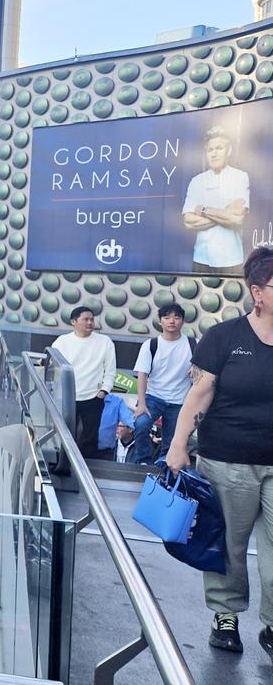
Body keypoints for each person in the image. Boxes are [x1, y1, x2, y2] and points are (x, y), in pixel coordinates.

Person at [167, 246, 273, 660]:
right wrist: (178, 445)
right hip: (228, 460)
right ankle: (225, 617)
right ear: (257, 293)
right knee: (229, 544)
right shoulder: (224, 337)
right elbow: (200, 395)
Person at [131, 303, 195, 464]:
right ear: (160, 322)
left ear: (182, 321)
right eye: (167, 317)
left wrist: (197, 366)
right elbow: (142, 374)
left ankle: (165, 465)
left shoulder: (194, 344)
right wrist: (142, 403)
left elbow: (207, 366)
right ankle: (143, 461)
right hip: (154, 397)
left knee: (173, 440)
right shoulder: (151, 345)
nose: (171, 321)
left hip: (180, 401)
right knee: (141, 424)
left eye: (176, 317)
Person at [51, 306, 117, 460]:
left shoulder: (104, 342)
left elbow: (110, 370)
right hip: (67, 397)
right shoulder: (62, 341)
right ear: (73, 322)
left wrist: (104, 391)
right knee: (65, 434)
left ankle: (88, 469)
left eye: (92, 319)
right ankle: (63, 465)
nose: (90, 323)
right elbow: (53, 363)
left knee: (90, 437)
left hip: (93, 397)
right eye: (85, 319)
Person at [183, 126, 249, 276]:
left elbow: (237, 218)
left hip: (231, 259)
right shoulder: (196, 181)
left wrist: (203, 210)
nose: (214, 154)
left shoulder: (240, 177)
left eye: (219, 148)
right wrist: (225, 214)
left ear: (229, 150)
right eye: (210, 150)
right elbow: (188, 221)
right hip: (201, 259)